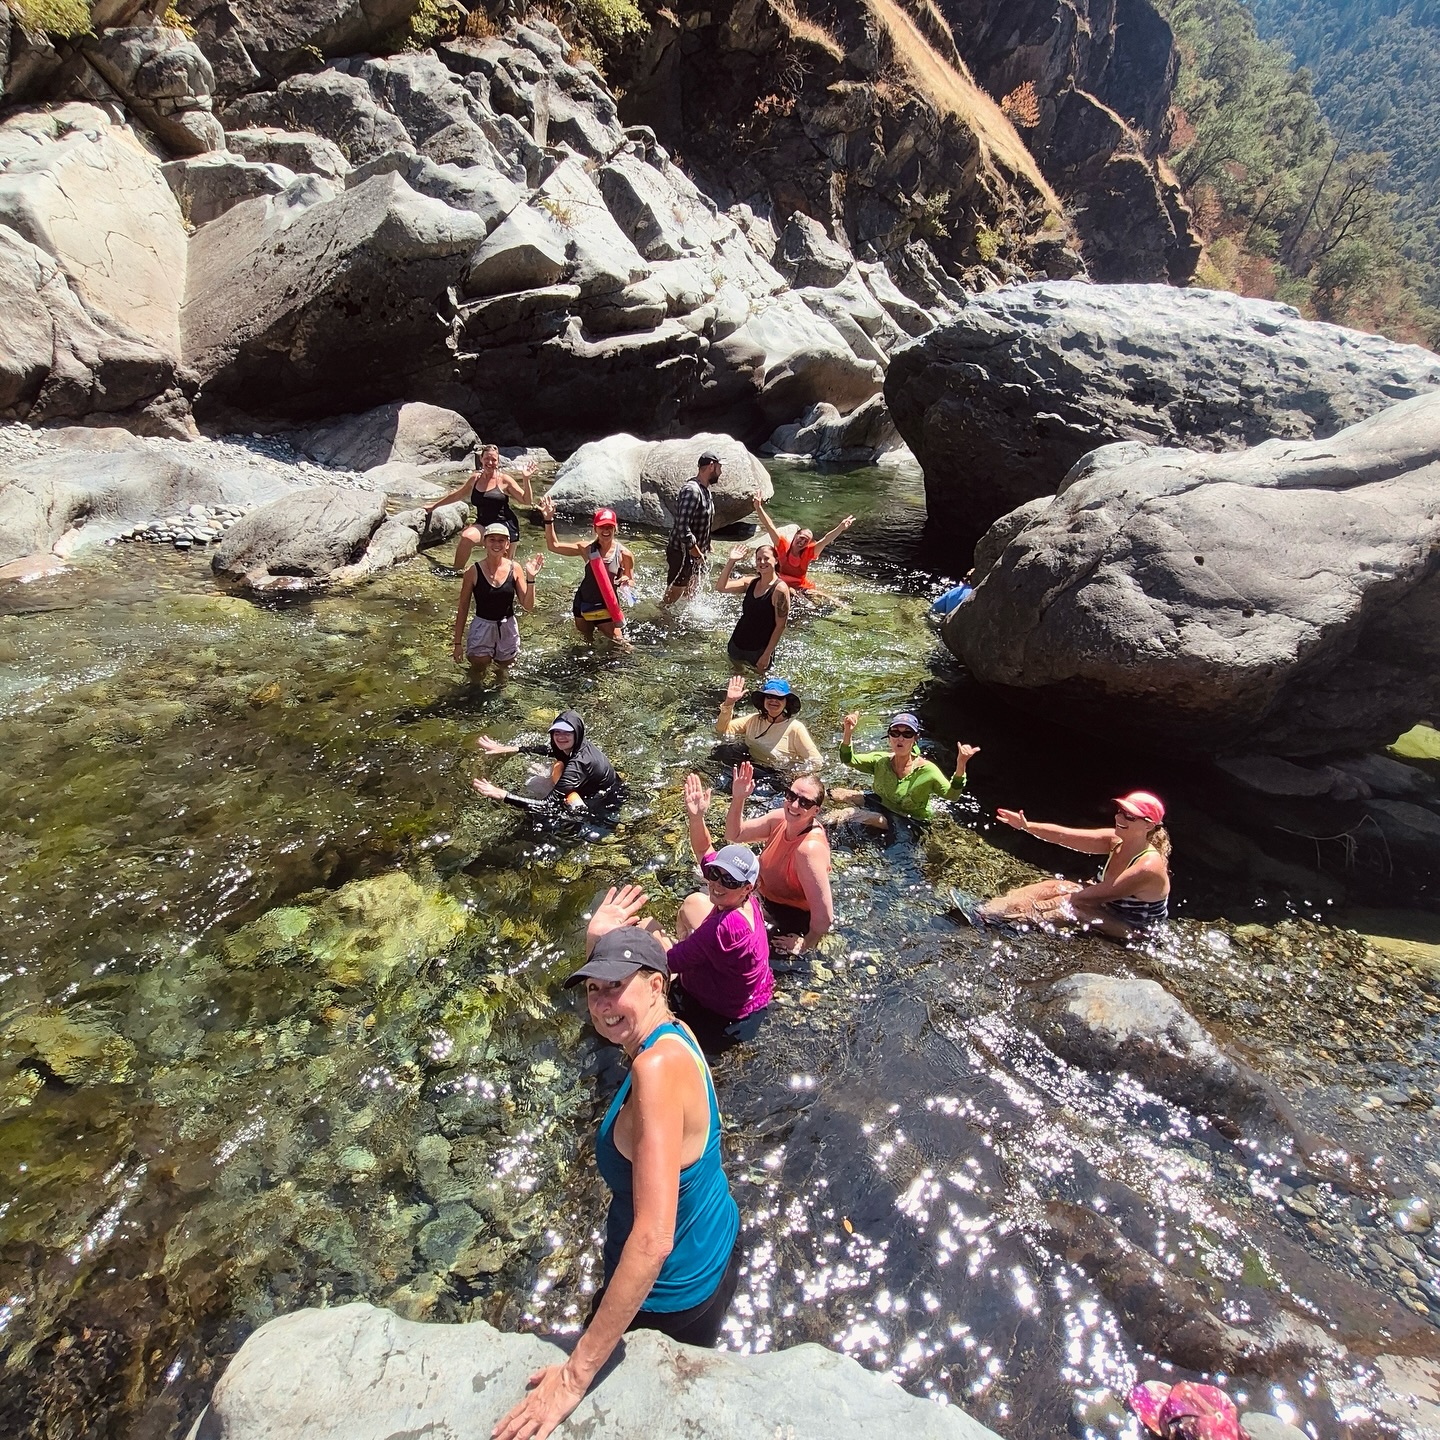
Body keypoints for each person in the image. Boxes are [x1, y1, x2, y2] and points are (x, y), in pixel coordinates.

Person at [492, 910, 741, 1440]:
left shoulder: (654, 1072)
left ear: (656, 986)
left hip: (671, 1294)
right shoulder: (678, 1033)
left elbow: (652, 1241)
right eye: (592, 990)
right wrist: (597, 946)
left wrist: (572, 1379)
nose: (602, 1004)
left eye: (615, 988)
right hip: (716, 1248)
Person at [636, 773, 774, 1053]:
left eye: (729, 881)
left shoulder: (723, 929)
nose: (717, 883)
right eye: (714, 873)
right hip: (755, 991)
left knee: (644, 926)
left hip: (723, 1012)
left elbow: (667, 963)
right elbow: (704, 848)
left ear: (747, 887)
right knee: (694, 902)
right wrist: (697, 816)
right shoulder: (747, 903)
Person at [978, 791, 1172, 939]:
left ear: (1149, 825)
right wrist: (1027, 826)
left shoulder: (1148, 866)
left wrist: (1040, 906)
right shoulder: (1116, 840)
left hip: (1134, 929)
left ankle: (999, 923)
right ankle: (985, 910)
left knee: (1070, 907)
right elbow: (1065, 836)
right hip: (1105, 906)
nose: (1119, 818)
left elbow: (1096, 895)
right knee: (1053, 886)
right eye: (1121, 812)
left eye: (1130, 816)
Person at [724, 760, 832, 955]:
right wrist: (739, 798)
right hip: (763, 898)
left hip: (787, 917)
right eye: (791, 796)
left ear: (816, 811)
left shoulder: (808, 850)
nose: (794, 805)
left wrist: (806, 944)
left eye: (805, 802)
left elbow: (824, 917)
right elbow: (734, 834)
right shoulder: (780, 819)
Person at [830, 710, 979, 830]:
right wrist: (848, 732)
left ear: (915, 738)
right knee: (837, 794)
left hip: (911, 821)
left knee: (849, 814)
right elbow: (848, 760)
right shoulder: (880, 761)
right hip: (882, 803)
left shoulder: (927, 771)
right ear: (889, 737)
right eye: (895, 733)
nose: (900, 738)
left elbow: (952, 796)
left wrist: (961, 765)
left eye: (907, 734)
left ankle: (818, 826)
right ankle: (809, 806)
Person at [537, 496, 635, 652]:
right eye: (602, 526)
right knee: (587, 644)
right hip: (583, 604)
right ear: (595, 528)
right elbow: (553, 546)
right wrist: (548, 520)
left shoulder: (624, 554)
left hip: (607, 604)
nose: (606, 530)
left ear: (615, 528)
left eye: (610, 526)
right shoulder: (587, 549)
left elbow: (630, 580)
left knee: (621, 644)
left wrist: (626, 581)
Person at [472, 710, 620, 814]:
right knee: (539, 773)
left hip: (604, 801)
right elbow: (548, 749)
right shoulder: (575, 744)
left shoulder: (579, 763)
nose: (560, 737)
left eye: (567, 732)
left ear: (577, 732)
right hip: (590, 783)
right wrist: (507, 748)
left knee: (537, 790)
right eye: (557, 732)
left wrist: (502, 794)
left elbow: (547, 805)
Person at [451, 523, 542, 680]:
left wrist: (531, 578)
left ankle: (500, 700)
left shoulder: (515, 568)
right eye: (492, 539)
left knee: (504, 669)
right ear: (485, 543)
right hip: (482, 626)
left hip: (507, 627)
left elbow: (527, 606)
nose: (496, 544)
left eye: (501, 540)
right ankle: (473, 698)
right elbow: (463, 607)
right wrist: (457, 644)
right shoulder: (473, 571)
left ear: (507, 544)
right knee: (478, 666)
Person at [424, 444, 537, 567]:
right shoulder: (475, 478)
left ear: (498, 461)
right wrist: (434, 506)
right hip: (483, 523)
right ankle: (455, 572)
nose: (490, 462)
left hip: (504, 525)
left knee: (503, 566)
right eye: (487, 458)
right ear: (481, 459)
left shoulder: (505, 480)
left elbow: (527, 501)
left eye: (494, 459)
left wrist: (526, 479)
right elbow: (457, 495)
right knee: (467, 537)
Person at [751, 493, 853, 607]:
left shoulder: (808, 552)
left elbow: (825, 540)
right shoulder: (782, 546)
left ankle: (845, 609)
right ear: (795, 536)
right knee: (799, 600)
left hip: (801, 586)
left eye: (806, 541)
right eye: (801, 538)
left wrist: (841, 528)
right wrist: (758, 507)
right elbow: (769, 525)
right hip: (781, 583)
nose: (802, 542)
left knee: (825, 599)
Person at [714, 675, 822, 768]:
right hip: (751, 764)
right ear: (763, 700)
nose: (773, 700)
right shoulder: (754, 720)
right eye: (769, 696)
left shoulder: (795, 728)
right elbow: (723, 730)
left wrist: (794, 774)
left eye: (779, 697)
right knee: (720, 751)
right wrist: (729, 702)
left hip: (777, 776)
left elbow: (816, 762)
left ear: (786, 702)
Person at [717, 542, 789, 672]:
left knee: (757, 688)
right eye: (758, 559)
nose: (762, 562)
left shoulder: (780, 590)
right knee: (734, 682)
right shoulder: (750, 583)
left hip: (759, 650)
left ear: (776, 560)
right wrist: (731, 561)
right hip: (737, 643)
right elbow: (721, 587)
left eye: (766, 558)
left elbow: (780, 626)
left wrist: (767, 654)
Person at [662, 452, 720, 605]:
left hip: (697, 553)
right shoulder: (692, 490)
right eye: (719, 467)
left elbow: (701, 519)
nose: (721, 472)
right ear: (711, 466)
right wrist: (695, 550)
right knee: (672, 596)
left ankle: (682, 622)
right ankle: (660, 619)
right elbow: (682, 527)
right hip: (683, 552)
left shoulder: (705, 490)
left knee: (691, 594)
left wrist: (707, 543)